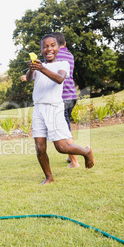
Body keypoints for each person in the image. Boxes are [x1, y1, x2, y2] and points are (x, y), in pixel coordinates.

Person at [23, 34, 94, 185]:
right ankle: (49, 177)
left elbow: (59, 79)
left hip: (54, 108)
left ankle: (86, 152)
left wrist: (41, 68)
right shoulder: (38, 66)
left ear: (58, 48)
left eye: (52, 45)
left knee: (61, 147)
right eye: (45, 46)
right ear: (41, 50)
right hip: (38, 109)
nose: (49, 49)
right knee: (40, 148)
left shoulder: (62, 64)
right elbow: (29, 79)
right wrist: (31, 69)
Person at [52, 32, 79, 168]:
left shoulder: (55, 56)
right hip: (72, 95)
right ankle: (70, 156)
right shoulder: (70, 55)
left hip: (62, 97)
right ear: (65, 43)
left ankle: (74, 161)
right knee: (66, 125)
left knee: (64, 129)